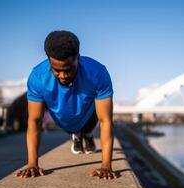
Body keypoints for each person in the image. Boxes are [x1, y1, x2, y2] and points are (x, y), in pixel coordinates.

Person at [15, 30, 117, 180]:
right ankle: (77, 134)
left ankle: (87, 135)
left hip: (88, 116)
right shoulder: (37, 77)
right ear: (49, 60)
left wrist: (106, 166)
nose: (63, 76)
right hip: (63, 118)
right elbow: (34, 121)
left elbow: (106, 121)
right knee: (71, 127)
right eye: (56, 70)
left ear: (78, 58)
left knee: (96, 114)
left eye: (68, 69)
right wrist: (32, 164)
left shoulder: (98, 73)